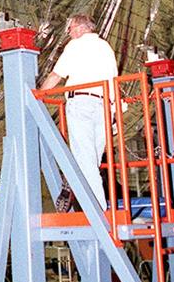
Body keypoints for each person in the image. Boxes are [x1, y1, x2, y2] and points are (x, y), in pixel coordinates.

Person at [41, 13, 119, 210]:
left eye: (71, 29)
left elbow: (56, 75)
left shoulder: (75, 45)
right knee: (91, 159)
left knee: (86, 161)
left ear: (80, 28)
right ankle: (89, 200)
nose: (69, 33)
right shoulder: (106, 47)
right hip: (105, 107)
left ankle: (99, 211)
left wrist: (37, 95)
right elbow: (114, 82)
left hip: (82, 103)